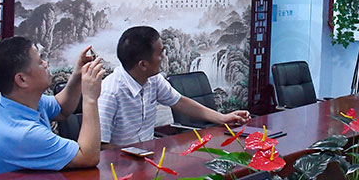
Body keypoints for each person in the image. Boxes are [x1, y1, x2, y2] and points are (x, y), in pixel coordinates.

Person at [98, 26, 250, 145]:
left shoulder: (154, 80)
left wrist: (223, 118)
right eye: (160, 54)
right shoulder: (110, 93)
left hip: (148, 157)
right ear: (143, 65)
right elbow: (101, 145)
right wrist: (133, 154)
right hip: (118, 167)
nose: (164, 57)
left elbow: (179, 102)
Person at [0, 36, 104, 175]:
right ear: (22, 79)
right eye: (40, 62)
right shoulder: (24, 134)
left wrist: (77, 75)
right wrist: (90, 98)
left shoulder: (11, 99)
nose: (46, 64)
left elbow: (62, 109)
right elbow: (88, 156)